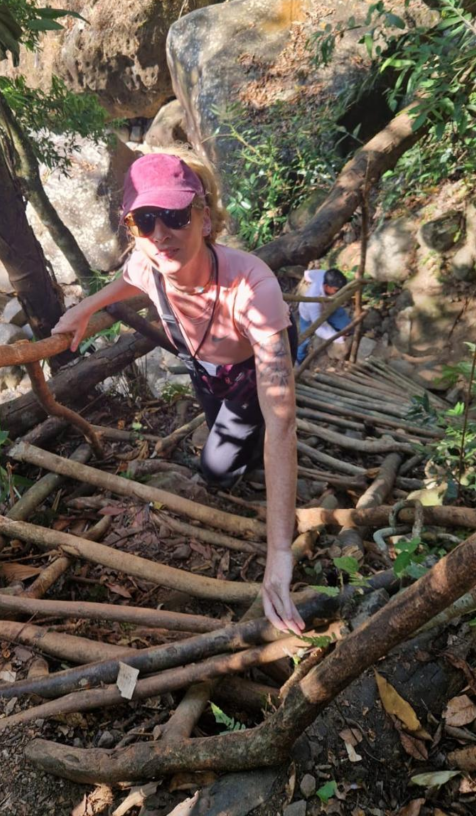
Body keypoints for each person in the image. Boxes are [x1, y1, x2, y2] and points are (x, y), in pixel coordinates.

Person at [51, 151, 305, 634]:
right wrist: (86, 306)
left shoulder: (253, 287)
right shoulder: (150, 264)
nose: (160, 233)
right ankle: (246, 456)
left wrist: (279, 552)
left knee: (216, 469)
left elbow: (283, 420)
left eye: (173, 216)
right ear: (132, 231)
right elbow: (126, 280)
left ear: (204, 219)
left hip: (252, 365)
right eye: (144, 220)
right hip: (205, 366)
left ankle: (248, 467)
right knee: (221, 432)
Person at [296, 268, 350, 365]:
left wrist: (307, 279)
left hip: (329, 305)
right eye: (336, 290)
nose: (339, 292)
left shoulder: (323, 274)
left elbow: (308, 274)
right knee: (305, 339)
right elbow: (319, 328)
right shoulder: (313, 301)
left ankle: (346, 330)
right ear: (326, 286)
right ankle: (299, 361)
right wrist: (338, 338)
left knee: (343, 321)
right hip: (308, 315)